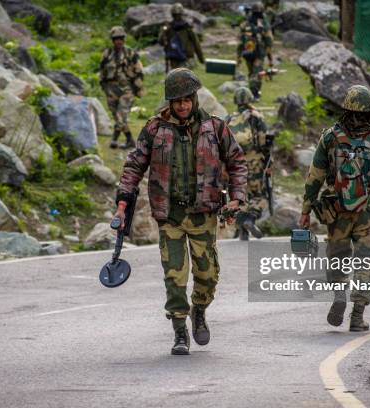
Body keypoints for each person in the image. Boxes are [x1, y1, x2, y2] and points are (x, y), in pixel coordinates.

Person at [113, 68, 247, 355]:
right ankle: (179, 330)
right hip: (170, 215)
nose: (183, 106)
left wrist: (237, 197)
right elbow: (134, 166)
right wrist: (123, 201)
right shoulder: (154, 129)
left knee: (207, 274)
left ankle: (199, 309)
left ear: (194, 98)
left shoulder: (215, 128)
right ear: (170, 102)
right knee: (175, 277)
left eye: (187, 99)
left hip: (203, 214)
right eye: (177, 101)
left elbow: (237, 162)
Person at [299, 85, 370, 332]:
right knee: (366, 261)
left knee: (337, 256)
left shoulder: (330, 137)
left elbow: (315, 176)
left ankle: (339, 293)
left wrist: (305, 210)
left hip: (336, 209)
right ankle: (357, 315)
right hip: (366, 212)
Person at [226, 87, 272, 240]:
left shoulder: (229, 118)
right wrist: (267, 161)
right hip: (254, 161)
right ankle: (250, 219)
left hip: (235, 164)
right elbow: (263, 141)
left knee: (240, 196)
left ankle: (242, 231)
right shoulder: (256, 116)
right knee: (259, 195)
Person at [99, 26, 144, 149]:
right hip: (111, 89)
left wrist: (138, 89)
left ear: (124, 39)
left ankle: (113, 139)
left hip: (127, 89)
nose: (119, 41)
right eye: (116, 39)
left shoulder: (131, 53)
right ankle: (130, 140)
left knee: (121, 115)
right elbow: (102, 70)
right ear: (112, 40)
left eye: (121, 38)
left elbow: (139, 71)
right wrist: (103, 86)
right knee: (116, 116)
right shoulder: (107, 53)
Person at [236, 2, 273, 101]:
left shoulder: (246, 23)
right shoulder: (263, 23)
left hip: (247, 52)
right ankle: (255, 93)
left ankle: (254, 92)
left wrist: (239, 56)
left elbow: (240, 41)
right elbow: (269, 40)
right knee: (256, 73)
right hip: (258, 53)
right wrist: (268, 53)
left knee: (252, 73)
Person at [158, 3, 205, 71]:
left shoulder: (172, 27)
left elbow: (196, 43)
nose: (177, 16)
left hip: (181, 59)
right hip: (180, 59)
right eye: (176, 15)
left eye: (178, 15)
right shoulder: (171, 28)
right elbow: (196, 44)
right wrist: (201, 60)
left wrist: (201, 59)